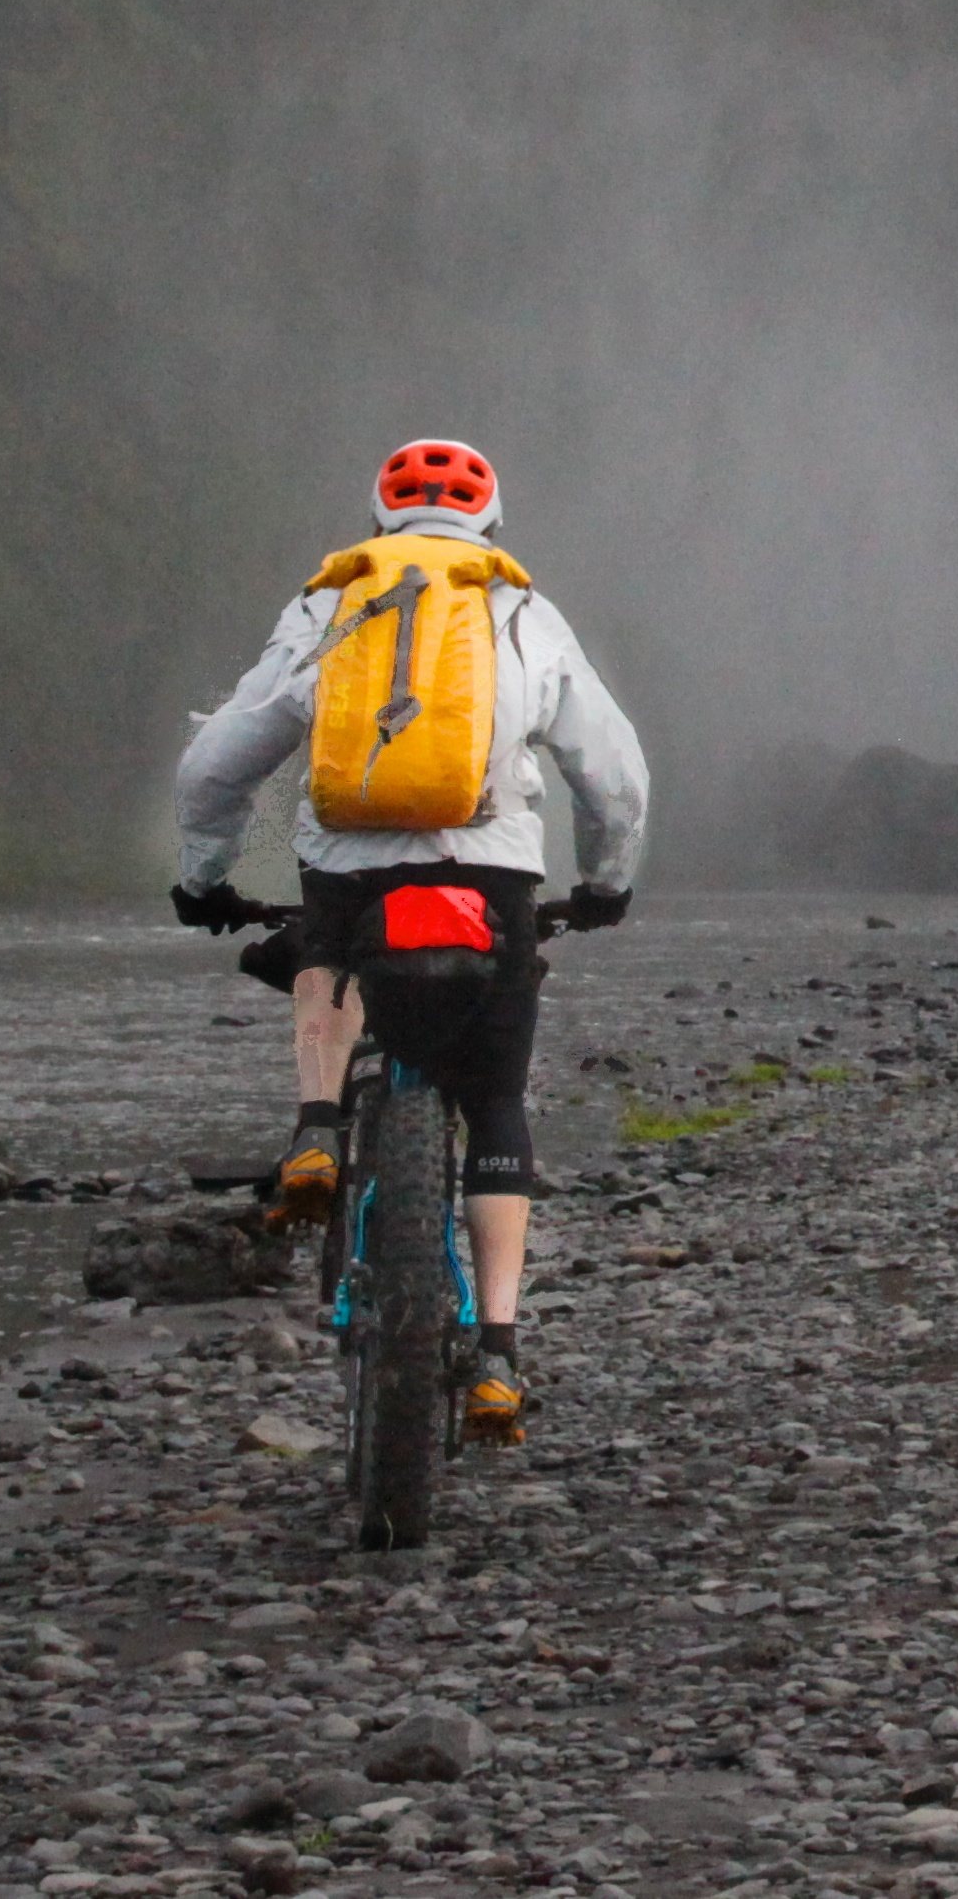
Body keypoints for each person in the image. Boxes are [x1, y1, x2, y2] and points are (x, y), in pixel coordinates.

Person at [171, 435, 649, 1444]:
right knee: (497, 1099)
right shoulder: (518, 608)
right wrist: (604, 883)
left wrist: (204, 877)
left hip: (350, 868)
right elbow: (612, 773)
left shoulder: (330, 601)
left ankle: (312, 1128)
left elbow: (219, 763)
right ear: (490, 520)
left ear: (383, 518)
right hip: (491, 878)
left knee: (324, 944)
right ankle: (499, 1356)